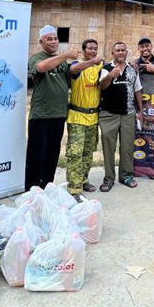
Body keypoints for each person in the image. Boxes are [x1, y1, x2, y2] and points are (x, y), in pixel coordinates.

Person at [26, 25, 80, 191]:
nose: (54, 41)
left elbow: (72, 75)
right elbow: (41, 68)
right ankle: (32, 190)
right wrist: (66, 55)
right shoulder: (36, 58)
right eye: (49, 39)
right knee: (37, 155)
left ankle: (47, 186)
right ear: (41, 42)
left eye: (56, 38)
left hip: (59, 114)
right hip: (41, 115)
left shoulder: (62, 62)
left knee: (52, 154)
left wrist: (89, 61)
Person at [99, 42, 144, 191]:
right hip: (109, 114)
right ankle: (108, 179)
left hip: (128, 114)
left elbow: (137, 90)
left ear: (126, 53)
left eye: (123, 50)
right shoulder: (106, 68)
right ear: (112, 53)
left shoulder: (133, 69)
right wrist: (110, 76)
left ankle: (126, 176)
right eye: (117, 50)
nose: (120, 52)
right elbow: (102, 86)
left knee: (127, 147)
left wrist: (140, 111)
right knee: (108, 148)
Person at [66, 39, 105, 201]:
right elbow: (73, 69)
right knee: (75, 153)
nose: (93, 51)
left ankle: (83, 180)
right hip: (77, 116)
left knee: (88, 153)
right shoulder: (78, 65)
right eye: (90, 48)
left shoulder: (100, 67)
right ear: (84, 50)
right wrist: (91, 62)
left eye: (95, 49)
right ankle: (74, 188)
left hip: (93, 118)